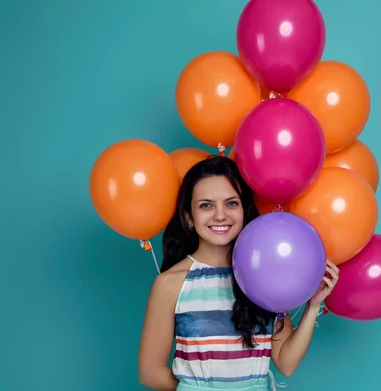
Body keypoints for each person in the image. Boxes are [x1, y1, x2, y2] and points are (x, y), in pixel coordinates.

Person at [138, 155, 339, 391]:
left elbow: (286, 363)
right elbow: (150, 373)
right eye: (206, 205)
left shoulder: (266, 271)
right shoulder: (171, 283)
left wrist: (313, 307)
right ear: (189, 218)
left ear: (244, 209)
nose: (220, 215)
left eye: (231, 203)